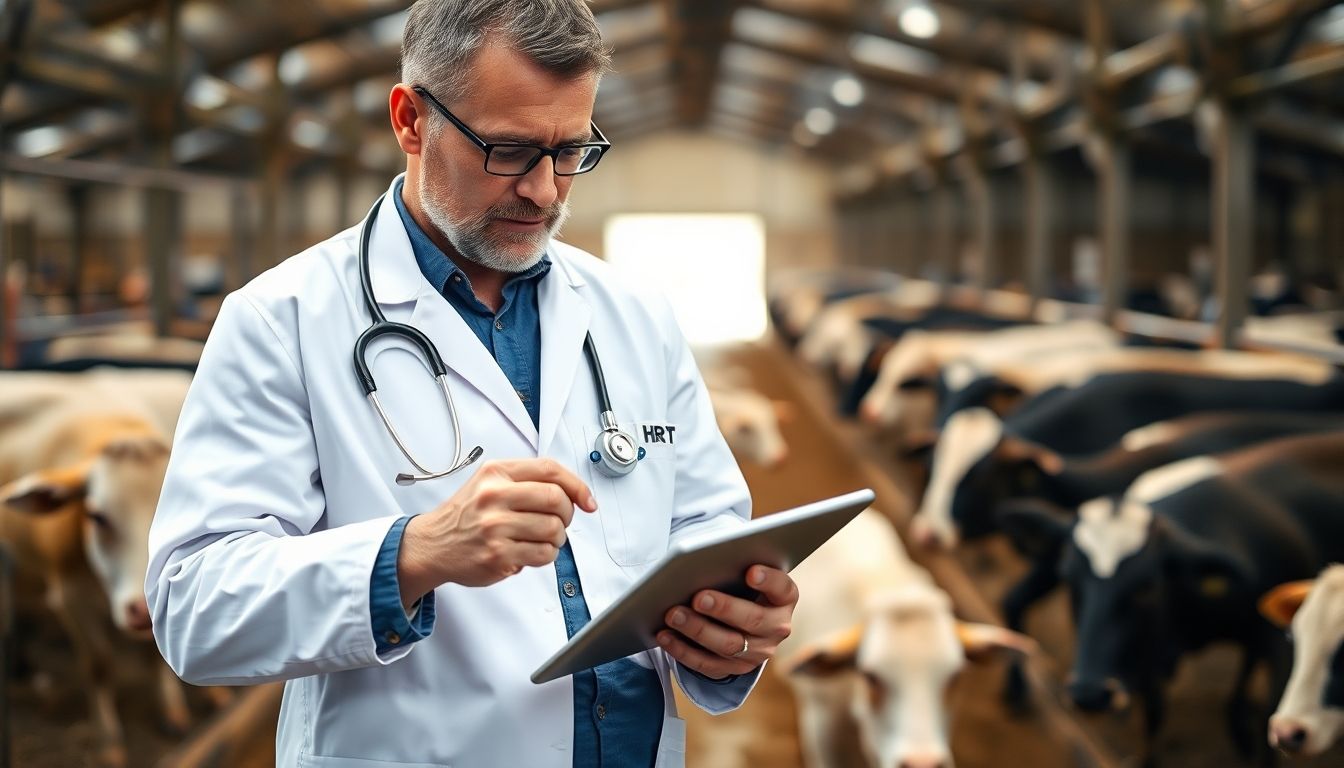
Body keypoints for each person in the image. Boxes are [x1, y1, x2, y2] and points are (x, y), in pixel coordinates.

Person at [145, 1, 798, 766]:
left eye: (571, 150)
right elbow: (194, 608)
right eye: (511, 150)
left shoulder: (634, 314)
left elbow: (704, 527)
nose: (547, 192)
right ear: (410, 121)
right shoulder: (282, 319)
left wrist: (730, 625)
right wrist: (413, 554)